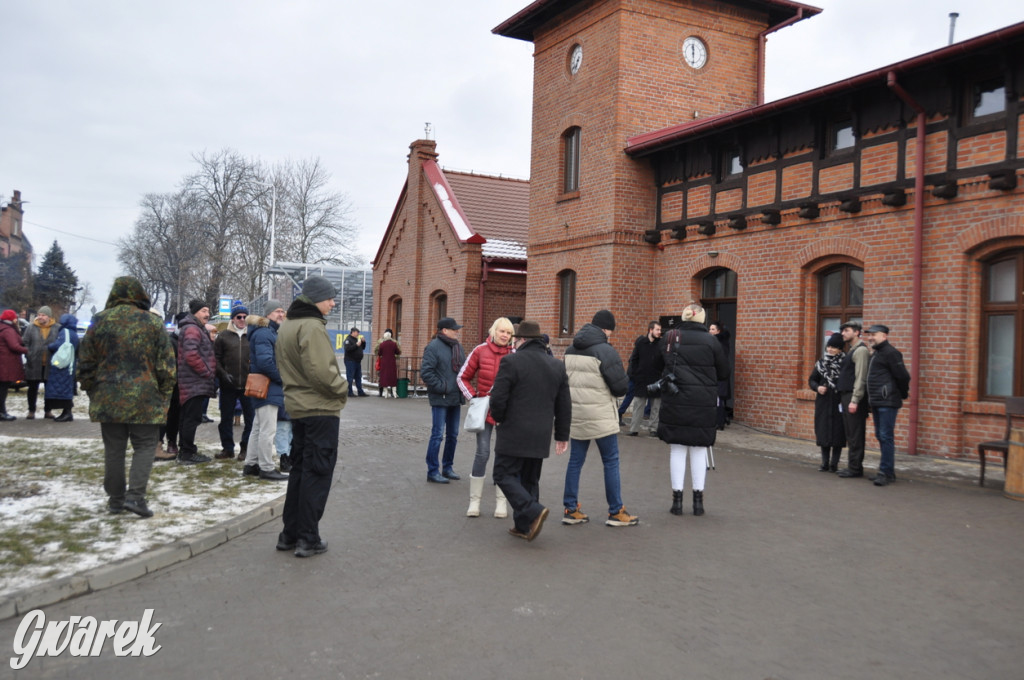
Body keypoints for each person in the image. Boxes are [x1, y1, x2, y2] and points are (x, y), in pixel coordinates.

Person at [78, 277, 176, 518]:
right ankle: (135, 497)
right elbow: (167, 366)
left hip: (107, 397)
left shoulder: (99, 321)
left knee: (114, 449)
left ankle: (115, 500)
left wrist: (93, 390)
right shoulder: (152, 323)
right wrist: (164, 397)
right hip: (145, 396)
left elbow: (86, 363)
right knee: (144, 446)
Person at [276, 275, 349, 557]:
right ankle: (308, 537)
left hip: (298, 407)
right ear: (317, 298)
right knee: (317, 473)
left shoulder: (288, 325)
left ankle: (289, 534)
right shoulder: (312, 327)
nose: (332, 302)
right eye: (329, 298)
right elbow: (322, 372)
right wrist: (341, 389)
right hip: (320, 409)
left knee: (300, 471)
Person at [489, 320, 571, 541]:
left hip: (513, 432)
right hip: (540, 434)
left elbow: (498, 398)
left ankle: (532, 510)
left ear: (521, 339)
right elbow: (564, 404)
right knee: (529, 479)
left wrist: (499, 419)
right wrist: (562, 435)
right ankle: (524, 526)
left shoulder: (511, 362)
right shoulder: (557, 365)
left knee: (503, 474)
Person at [562, 309, 640, 527]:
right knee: (611, 461)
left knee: (575, 461)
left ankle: (570, 508)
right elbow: (621, 387)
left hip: (576, 414)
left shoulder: (570, 349)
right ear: (606, 329)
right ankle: (616, 511)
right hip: (601, 416)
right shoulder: (606, 351)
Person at [656, 303, 729, 516]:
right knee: (699, 449)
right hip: (703, 401)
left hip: (675, 399)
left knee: (677, 449)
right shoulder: (711, 341)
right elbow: (724, 371)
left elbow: (656, 364)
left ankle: (676, 501)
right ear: (702, 320)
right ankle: (698, 502)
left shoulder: (669, 338)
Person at [456, 316, 514, 518]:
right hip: (484, 410)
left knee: (505, 454)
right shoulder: (480, 350)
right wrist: (473, 397)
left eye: (508, 332)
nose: (505, 335)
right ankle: (475, 502)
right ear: (494, 331)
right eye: (502, 331)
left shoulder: (515, 354)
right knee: (482, 453)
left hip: (507, 412)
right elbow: (462, 377)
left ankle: (501, 502)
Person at [244, 301, 289, 481]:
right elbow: (265, 363)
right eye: (278, 311)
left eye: (282, 311)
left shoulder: (267, 332)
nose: (281, 314)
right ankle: (266, 467)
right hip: (268, 387)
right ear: (268, 314)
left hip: (268, 387)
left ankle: (251, 464)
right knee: (267, 430)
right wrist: (283, 378)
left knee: (258, 427)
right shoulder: (264, 333)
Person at [864, 324, 911, 487]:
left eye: (874, 335)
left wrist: (902, 394)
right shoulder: (876, 353)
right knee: (880, 435)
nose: (870, 338)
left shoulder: (891, 353)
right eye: (869, 335)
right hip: (877, 401)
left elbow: (903, 376)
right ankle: (887, 471)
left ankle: (885, 472)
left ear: (884, 336)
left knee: (885, 436)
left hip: (887, 401)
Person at [421, 317, 466, 484]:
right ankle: (432, 471)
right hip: (441, 397)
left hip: (455, 397)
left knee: (453, 435)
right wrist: (443, 387)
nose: (457, 331)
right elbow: (426, 372)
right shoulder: (433, 347)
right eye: (454, 329)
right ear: (444, 330)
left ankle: (447, 467)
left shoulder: (458, 347)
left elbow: (463, 369)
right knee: (437, 435)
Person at [176, 300, 216, 465]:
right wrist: (206, 372)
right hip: (194, 382)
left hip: (192, 382)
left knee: (187, 418)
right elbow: (191, 355)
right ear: (195, 313)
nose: (207, 314)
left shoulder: (195, 328)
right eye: (203, 311)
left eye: (208, 311)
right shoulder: (193, 329)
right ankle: (187, 453)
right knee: (191, 418)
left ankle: (186, 450)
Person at [214, 304, 254, 460]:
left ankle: (245, 448)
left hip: (248, 384)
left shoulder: (251, 335)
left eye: (245, 317)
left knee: (250, 420)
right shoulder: (223, 336)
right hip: (228, 385)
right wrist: (223, 374)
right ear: (233, 318)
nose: (242, 320)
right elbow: (215, 358)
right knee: (225, 419)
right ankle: (227, 448)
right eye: (239, 317)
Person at [836, 321, 870, 479]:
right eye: (842, 330)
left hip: (853, 396)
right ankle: (853, 465)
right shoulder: (852, 350)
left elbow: (860, 377)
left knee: (855, 434)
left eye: (847, 330)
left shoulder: (861, 351)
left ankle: (855, 468)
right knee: (851, 433)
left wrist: (855, 400)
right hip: (846, 396)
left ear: (857, 333)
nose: (843, 333)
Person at [809, 332, 847, 472]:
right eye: (829, 346)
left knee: (838, 433)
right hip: (823, 402)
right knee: (824, 432)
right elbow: (812, 380)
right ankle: (824, 463)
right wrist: (817, 387)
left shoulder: (845, 363)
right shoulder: (821, 364)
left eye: (834, 347)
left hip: (839, 402)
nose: (830, 350)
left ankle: (834, 464)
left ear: (840, 350)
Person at [21, 305, 62, 419]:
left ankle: (48, 411)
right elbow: (25, 342)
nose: (40, 317)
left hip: (50, 363)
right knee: (33, 388)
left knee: (49, 389)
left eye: (43, 315)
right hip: (34, 363)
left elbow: (60, 344)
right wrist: (28, 354)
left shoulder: (57, 328)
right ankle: (31, 411)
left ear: (49, 317)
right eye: (39, 315)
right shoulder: (31, 327)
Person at [626, 320, 663, 437]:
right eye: (657, 330)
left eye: (660, 330)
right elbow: (634, 359)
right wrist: (635, 374)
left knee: (656, 406)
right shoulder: (641, 343)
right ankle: (634, 428)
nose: (659, 332)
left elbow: (664, 361)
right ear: (650, 330)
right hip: (641, 379)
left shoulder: (661, 344)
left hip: (656, 379)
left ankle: (653, 429)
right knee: (638, 405)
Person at [45, 312, 80, 422]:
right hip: (70, 364)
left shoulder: (65, 332)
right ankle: (66, 412)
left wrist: (49, 346)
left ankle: (67, 413)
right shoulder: (74, 333)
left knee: (63, 389)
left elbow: (59, 345)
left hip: (62, 365)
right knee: (67, 388)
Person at [0, 309, 28, 420]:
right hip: (6, 364)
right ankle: (2, 412)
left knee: (2, 388)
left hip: (2, 363)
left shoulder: (2, 328)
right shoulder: (8, 330)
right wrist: (27, 350)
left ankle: (2, 411)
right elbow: (14, 346)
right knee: (2, 389)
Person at [708, 322, 732, 430]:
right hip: (718, 375)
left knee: (718, 399)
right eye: (709, 329)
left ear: (718, 331)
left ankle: (719, 422)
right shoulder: (718, 342)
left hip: (719, 376)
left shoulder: (718, 343)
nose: (710, 331)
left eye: (713, 329)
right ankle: (721, 420)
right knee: (718, 399)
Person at [344, 327, 368, 397]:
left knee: (358, 377)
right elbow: (348, 349)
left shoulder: (356, 340)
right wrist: (356, 345)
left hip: (357, 361)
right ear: (353, 332)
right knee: (350, 377)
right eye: (357, 332)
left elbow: (362, 348)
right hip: (350, 361)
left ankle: (360, 391)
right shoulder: (348, 340)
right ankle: (350, 392)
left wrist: (363, 342)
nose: (358, 334)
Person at [376, 329, 400, 398]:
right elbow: (398, 352)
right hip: (392, 362)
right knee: (392, 376)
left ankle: (385, 393)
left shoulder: (382, 344)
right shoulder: (394, 344)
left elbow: (379, 353)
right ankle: (394, 393)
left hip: (384, 363)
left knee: (384, 377)